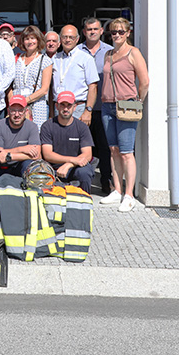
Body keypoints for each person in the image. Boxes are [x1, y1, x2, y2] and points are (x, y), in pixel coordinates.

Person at [99, 17, 149, 213]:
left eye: (121, 32)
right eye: (113, 32)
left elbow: (144, 81)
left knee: (127, 152)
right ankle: (117, 190)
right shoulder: (108, 54)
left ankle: (129, 195)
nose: (117, 35)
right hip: (107, 105)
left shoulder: (133, 52)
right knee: (113, 149)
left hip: (126, 106)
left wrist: (138, 102)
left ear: (128, 33)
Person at [81, 17, 114, 194]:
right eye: (89, 29)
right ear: (84, 32)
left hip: (104, 107)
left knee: (105, 146)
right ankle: (82, 181)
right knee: (82, 146)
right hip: (80, 108)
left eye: (95, 29)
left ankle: (105, 180)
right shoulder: (77, 51)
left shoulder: (110, 52)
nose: (92, 32)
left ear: (101, 31)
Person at [40, 91, 97, 193]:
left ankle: (84, 201)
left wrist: (69, 164)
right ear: (56, 106)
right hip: (53, 168)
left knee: (85, 171)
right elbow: (47, 155)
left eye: (69, 105)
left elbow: (87, 155)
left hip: (75, 167)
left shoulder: (82, 127)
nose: (66, 109)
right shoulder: (47, 126)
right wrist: (72, 160)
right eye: (62, 105)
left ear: (75, 107)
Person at [52, 24, 99, 125]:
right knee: (59, 140)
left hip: (77, 108)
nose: (67, 40)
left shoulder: (86, 58)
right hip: (58, 108)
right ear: (60, 39)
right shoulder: (54, 59)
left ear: (77, 39)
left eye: (71, 37)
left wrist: (88, 111)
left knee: (76, 139)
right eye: (65, 37)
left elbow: (93, 86)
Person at [10, 25, 53, 130]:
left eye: (33, 38)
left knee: (35, 135)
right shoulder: (16, 58)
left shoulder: (45, 60)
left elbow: (44, 89)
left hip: (37, 105)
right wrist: (13, 101)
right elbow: (9, 84)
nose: (30, 42)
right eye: (27, 39)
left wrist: (26, 100)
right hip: (16, 106)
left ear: (38, 40)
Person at [0, 95, 42, 177]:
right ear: (8, 111)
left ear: (26, 111)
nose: (17, 114)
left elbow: (36, 155)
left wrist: (9, 156)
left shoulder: (32, 126)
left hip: (22, 166)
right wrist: (22, 149)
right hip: (2, 167)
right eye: (13, 111)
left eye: (20, 111)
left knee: (29, 164)